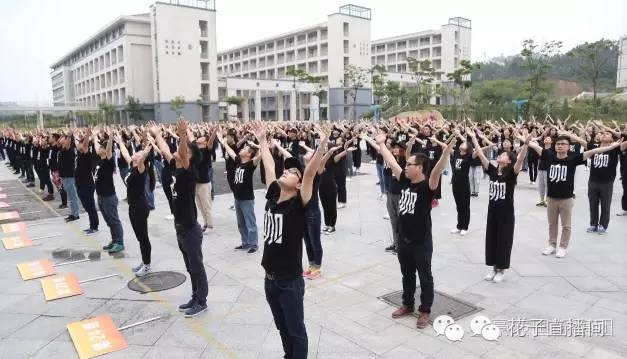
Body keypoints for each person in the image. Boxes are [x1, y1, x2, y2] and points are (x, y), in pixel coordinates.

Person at [253, 122, 328, 359]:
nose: (288, 172)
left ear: (298, 185)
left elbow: (309, 173)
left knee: (296, 331)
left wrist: (321, 146)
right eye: (286, 170)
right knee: (282, 327)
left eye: (292, 173)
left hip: (289, 282)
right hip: (270, 279)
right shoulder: (274, 193)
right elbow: (268, 164)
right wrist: (263, 141)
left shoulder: (299, 204)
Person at [374, 130, 454, 329]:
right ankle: (407, 304)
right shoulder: (405, 181)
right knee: (407, 274)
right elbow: (392, 162)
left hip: (421, 240)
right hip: (404, 238)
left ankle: (425, 310)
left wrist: (445, 154)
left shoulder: (428, 185)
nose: (405, 167)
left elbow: (436, 171)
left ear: (420, 167)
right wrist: (381, 143)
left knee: (425, 276)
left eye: (409, 164)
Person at [528, 132, 623, 258]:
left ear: (568, 146)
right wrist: (525, 139)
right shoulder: (549, 155)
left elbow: (593, 151)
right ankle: (552, 244)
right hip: (551, 197)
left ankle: (562, 247)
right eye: (558, 144)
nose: (560, 146)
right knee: (552, 224)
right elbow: (535, 146)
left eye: (563, 144)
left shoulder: (573, 158)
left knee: (566, 225)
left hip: (566, 198)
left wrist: (611, 147)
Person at [151, 120, 209, 318]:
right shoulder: (174, 166)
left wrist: (183, 134)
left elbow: (182, 152)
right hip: (180, 227)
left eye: (184, 152)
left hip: (191, 228)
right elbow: (166, 149)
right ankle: (195, 296)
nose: (176, 151)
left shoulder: (188, 171)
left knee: (197, 267)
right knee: (190, 267)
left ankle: (202, 301)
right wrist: (157, 134)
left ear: (189, 158)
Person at [469, 129, 527, 283]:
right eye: (500, 155)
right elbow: (481, 155)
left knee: (504, 240)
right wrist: (475, 138)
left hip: (506, 213)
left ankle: (501, 270)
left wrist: (526, 145)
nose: (500, 156)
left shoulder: (511, 174)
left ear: (508, 161)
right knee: (492, 239)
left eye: (503, 155)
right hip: (492, 211)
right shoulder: (493, 171)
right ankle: (493, 267)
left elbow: (520, 160)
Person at [217, 128, 261, 254]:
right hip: (237, 197)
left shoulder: (251, 164)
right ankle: (245, 242)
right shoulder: (238, 161)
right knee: (241, 223)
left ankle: (253, 244)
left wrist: (258, 145)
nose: (241, 149)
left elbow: (261, 155)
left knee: (250, 222)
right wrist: (223, 142)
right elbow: (230, 152)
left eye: (245, 149)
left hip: (247, 198)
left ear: (248, 154)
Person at [115, 133, 153, 277]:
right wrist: (120, 142)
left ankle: (147, 265)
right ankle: (144, 262)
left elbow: (142, 158)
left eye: (137, 154)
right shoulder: (132, 165)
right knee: (139, 237)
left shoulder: (140, 169)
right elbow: (125, 153)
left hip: (140, 207)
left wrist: (146, 151)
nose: (134, 154)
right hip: (133, 207)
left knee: (143, 237)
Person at [586, 131, 627, 234]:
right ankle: (593, 224)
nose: (604, 134)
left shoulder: (615, 149)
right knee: (593, 204)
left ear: (612, 139)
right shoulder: (594, 147)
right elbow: (581, 141)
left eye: (608, 134)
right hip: (592, 181)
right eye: (603, 133)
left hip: (607, 182)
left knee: (605, 205)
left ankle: (603, 225)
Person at [75, 131, 99, 235]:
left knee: (90, 206)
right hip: (80, 184)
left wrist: (87, 136)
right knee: (86, 206)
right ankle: (91, 225)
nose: (77, 145)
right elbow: (78, 144)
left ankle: (94, 226)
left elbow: (85, 144)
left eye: (80, 144)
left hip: (87, 184)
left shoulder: (86, 154)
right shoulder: (80, 154)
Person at [58, 131, 80, 222]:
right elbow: (59, 142)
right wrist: (64, 135)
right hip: (64, 176)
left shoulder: (69, 148)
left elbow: (66, 142)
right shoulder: (63, 148)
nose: (61, 138)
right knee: (71, 197)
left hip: (69, 176)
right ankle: (73, 213)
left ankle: (76, 214)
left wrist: (69, 135)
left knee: (73, 197)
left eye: (64, 137)